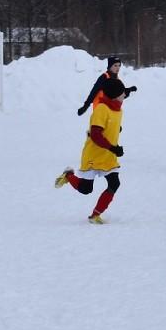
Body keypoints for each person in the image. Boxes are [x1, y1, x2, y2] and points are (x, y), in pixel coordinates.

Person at [55, 77, 126, 224]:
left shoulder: (118, 109)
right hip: (93, 155)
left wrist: (115, 130)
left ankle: (95, 215)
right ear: (114, 95)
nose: (124, 95)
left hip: (108, 156)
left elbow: (112, 124)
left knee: (114, 184)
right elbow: (95, 135)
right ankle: (68, 175)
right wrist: (113, 147)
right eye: (122, 92)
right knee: (86, 189)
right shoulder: (101, 109)